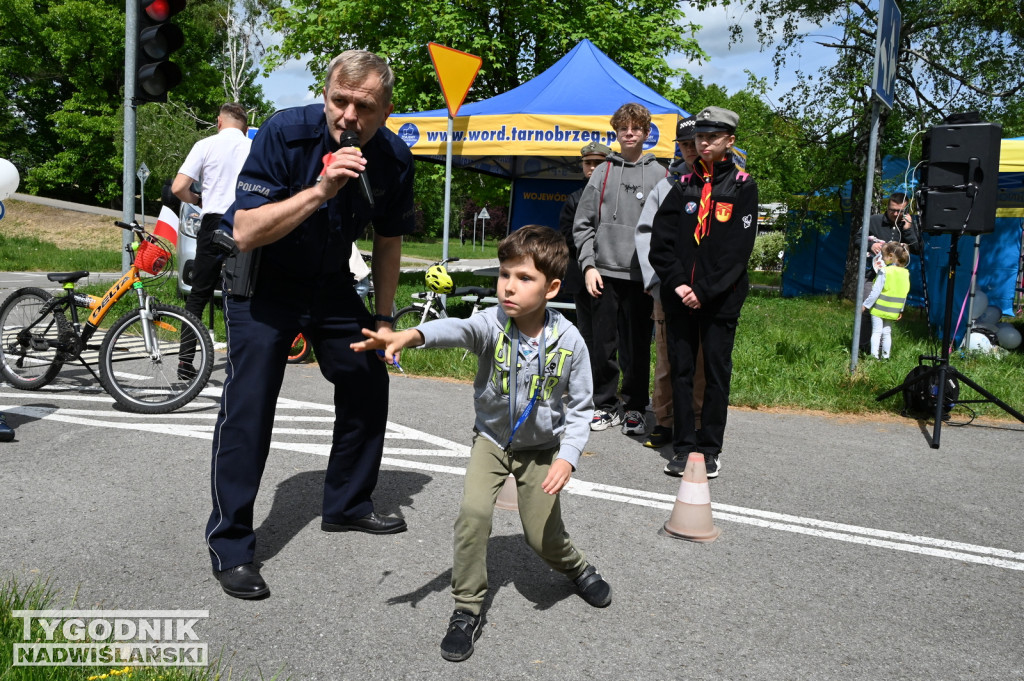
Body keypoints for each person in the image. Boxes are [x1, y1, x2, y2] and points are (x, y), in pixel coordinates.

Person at [205, 50, 415, 600]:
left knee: (368, 375)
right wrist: (321, 190)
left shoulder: (394, 157)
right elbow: (246, 229)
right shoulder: (284, 133)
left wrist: (385, 320)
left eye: (363, 105)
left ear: (386, 109)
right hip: (265, 282)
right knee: (250, 403)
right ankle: (231, 544)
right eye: (338, 100)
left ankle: (347, 504)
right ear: (324, 95)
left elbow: (388, 243)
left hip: (331, 284)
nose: (348, 115)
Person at [351, 224, 611, 663]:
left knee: (541, 537)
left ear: (550, 288)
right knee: (472, 516)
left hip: (542, 449)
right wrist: (410, 336)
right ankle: (466, 608)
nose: (509, 286)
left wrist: (567, 458)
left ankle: (578, 568)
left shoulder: (570, 342)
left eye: (523, 278)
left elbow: (583, 408)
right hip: (491, 441)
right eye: (504, 274)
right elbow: (456, 329)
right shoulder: (492, 324)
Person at [650, 106, 758, 479]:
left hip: (719, 300)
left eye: (713, 136)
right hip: (680, 299)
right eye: (699, 136)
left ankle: (709, 448)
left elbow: (737, 253)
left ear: (729, 141)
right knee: (680, 372)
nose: (704, 142)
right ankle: (683, 446)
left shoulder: (743, 187)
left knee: (714, 374)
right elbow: (659, 245)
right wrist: (680, 284)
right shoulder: (681, 188)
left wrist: (705, 290)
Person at [573, 102, 667, 435]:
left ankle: (636, 407)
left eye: (636, 128)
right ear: (616, 132)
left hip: (641, 277)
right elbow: (583, 223)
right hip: (603, 273)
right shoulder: (602, 171)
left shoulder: (660, 174)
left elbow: (666, 231)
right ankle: (605, 405)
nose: (629, 133)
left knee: (637, 345)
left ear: (646, 133)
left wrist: (654, 275)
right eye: (623, 128)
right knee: (602, 344)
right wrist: (588, 266)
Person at [172, 103, 252, 378]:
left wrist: (197, 199)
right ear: (245, 126)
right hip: (243, 223)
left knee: (198, 295)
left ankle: (185, 363)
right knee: (239, 295)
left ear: (219, 122)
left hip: (211, 222)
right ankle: (239, 363)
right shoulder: (252, 147)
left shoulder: (205, 144)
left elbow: (178, 187)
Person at [635, 115, 696, 449]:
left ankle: (697, 422)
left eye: (693, 144)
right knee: (666, 357)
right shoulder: (666, 186)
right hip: (667, 287)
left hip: (704, 290)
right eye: (683, 145)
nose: (689, 150)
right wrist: (656, 280)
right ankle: (665, 420)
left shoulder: (720, 185)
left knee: (699, 361)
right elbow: (646, 235)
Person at [558, 140, 611, 350]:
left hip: (612, 275)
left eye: (598, 162)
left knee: (610, 333)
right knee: (586, 333)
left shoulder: (617, 196)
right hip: (581, 276)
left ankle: (606, 381)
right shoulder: (574, 199)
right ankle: (587, 380)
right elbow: (568, 236)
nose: (592, 167)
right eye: (587, 162)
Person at [858, 192, 920, 354]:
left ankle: (881, 351)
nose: (895, 214)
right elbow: (857, 239)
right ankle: (863, 347)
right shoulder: (875, 221)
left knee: (888, 316)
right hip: (873, 274)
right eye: (892, 210)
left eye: (899, 211)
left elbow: (918, 249)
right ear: (888, 206)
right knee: (866, 310)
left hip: (894, 281)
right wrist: (870, 245)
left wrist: (908, 230)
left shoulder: (908, 224)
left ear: (905, 210)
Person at [862, 242, 910, 359]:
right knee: (887, 332)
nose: (882, 259)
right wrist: (900, 310)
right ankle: (886, 357)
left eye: (882, 256)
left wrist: (866, 305)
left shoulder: (885, 271)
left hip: (879, 307)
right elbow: (904, 293)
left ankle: (873, 357)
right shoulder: (905, 273)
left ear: (890, 256)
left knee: (876, 332)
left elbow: (875, 292)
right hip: (893, 309)